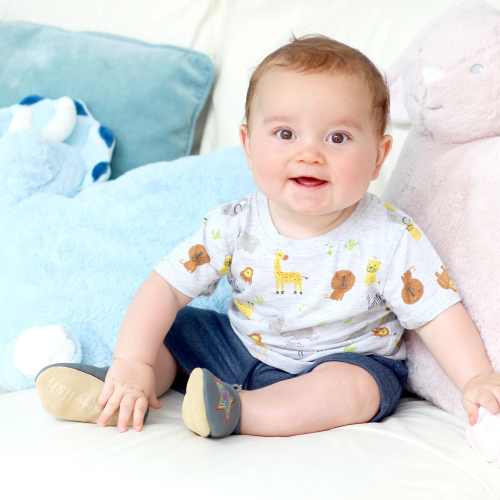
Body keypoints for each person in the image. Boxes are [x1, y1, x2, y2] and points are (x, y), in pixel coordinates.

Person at [37, 34, 500, 438]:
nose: (309, 153)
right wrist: (133, 359)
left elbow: (437, 314)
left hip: (342, 360)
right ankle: (119, 390)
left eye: (337, 138)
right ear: (248, 146)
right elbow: (165, 287)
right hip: (239, 347)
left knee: (354, 389)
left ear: (379, 157)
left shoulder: (392, 236)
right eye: (285, 133)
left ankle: (240, 410)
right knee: (174, 331)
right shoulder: (232, 222)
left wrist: (476, 376)